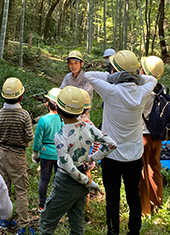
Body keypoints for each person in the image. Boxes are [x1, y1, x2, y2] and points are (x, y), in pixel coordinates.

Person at [85, 51, 157, 235]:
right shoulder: (142, 91)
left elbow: (89, 75)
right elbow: (152, 80)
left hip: (112, 156)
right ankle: (134, 232)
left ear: (116, 70)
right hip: (134, 156)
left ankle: (113, 231)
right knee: (133, 195)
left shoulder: (110, 90)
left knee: (112, 198)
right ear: (136, 71)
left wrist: (114, 77)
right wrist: (135, 77)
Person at [40, 86, 117, 235]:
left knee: (46, 221)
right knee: (76, 224)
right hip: (82, 181)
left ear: (60, 111)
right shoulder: (88, 127)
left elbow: (68, 166)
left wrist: (89, 182)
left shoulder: (60, 136)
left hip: (66, 183)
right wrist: (91, 158)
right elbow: (112, 144)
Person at [0, 77, 35, 235]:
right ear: (21, 97)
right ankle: (24, 226)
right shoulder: (24, 115)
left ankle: (5, 219)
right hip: (17, 156)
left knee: (4, 188)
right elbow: (30, 136)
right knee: (21, 190)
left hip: (1, 154)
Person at [139, 56, 165, 216]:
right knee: (155, 169)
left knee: (143, 173)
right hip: (157, 137)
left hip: (143, 137)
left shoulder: (142, 89)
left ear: (143, 71)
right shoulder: (160, 88)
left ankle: (145, 210)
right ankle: (158, 203)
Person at [32, 87, 63, 212]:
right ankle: (57, 202)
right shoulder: (62, 119)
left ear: (47, 104)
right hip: (59, 153)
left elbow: (38, 138)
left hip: (45, 153)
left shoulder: (43, 119)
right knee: (58, 179)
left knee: (44, 179)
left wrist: (35, 152)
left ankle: (42, 204)